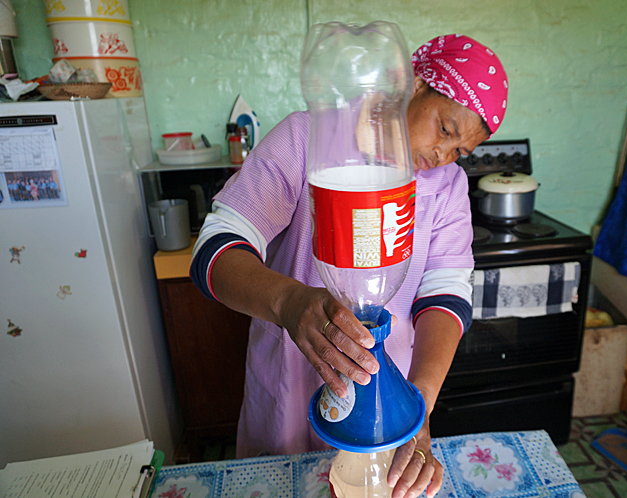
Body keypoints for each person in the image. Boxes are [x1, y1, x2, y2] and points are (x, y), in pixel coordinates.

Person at [191, 34, 507, 498]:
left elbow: (446, 294)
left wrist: (414, 405)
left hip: (382, 397)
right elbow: (216, 249)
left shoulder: (447, 187)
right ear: (416, 84)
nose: (444, 155)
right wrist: (289, 302)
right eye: (445, 129)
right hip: (290, 381)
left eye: (460, 150)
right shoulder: (308, 140)